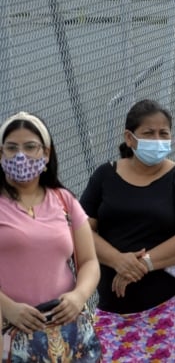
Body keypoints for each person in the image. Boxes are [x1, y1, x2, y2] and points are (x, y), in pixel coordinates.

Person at [81, 100, 175, 361]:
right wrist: (118, 260)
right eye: (149, 133)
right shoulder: (104, 176)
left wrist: (143, 264)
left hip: (167, 311)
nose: (157, 139)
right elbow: (80, 229)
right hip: (111, 313)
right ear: (129, 137)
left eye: (164, 133)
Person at [0, 112, 100, 360]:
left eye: (30, 147)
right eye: (11, 148)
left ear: (46, 154)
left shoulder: (64, 200)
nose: (20, 155)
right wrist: (8, 308)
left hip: (68, 334)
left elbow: (89, 261)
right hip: (11, 335)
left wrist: (78, 296)